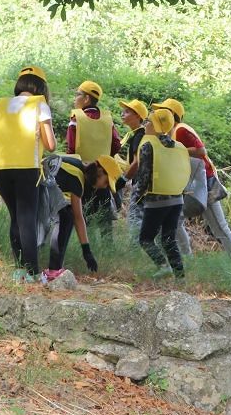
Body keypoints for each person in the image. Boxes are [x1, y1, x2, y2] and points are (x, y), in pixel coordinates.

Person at [152, 98, 231, 259]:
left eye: (163, 111)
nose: (160, 114)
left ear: (172, 114)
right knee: (174, 220)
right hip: (194, 184)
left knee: (220, 228)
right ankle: (187, 260)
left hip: (205, 184)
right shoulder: (172, 134)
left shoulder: (181, 129)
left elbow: (201, 151)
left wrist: (175, 149)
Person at [0, 65, 57, 281]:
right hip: (27, 168)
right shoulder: (40, 104)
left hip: (1, 168)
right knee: (27, 218)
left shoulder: (2, 104)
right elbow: (50, 144)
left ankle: (20, 269)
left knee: (15, 219)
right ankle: (33, 273)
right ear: (41, 86)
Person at [42, 154, 121, 281]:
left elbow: (78, 217)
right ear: (100, 171)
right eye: (106, 182)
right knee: (66, 217)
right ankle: (53, 271)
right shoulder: (77, 178)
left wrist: (86, 251)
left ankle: (49, 268)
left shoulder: (77, 170)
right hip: (34, 186)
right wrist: (87, 252)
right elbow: (78, 217)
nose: (105, 186)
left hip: (36, 186)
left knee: (67, 215)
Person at [135, 108, 190, 277]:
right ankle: (180, 276)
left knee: (145, 238)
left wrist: (138, 197)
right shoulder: (179, 146)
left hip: (156, 200)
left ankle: (163, 266)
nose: (146, 124)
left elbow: (143, 176)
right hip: (177, 200)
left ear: (157, 125)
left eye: (149, 121)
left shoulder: (148, 146)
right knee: (168, 239)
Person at [67, 80, 121, 239]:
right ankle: (108, 251)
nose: (74, 98)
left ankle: (88, 248)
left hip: (82, 174)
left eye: (77, 94)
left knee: (85, 216)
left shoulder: (76, 118)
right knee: (105, 220)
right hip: (103, 176)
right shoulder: (107, 119)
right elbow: (117, 146)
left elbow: (70, 148)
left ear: (86, 99)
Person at [116, 98, 148, 232]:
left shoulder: (139, 136)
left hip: (141, 184)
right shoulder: (139, 134)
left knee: (134, 220)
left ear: (137, 116)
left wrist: (123, 180)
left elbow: (136, 162)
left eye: (127, 111)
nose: (123, 114)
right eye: (123, 111)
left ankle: (134, 250)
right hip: (145, 183)